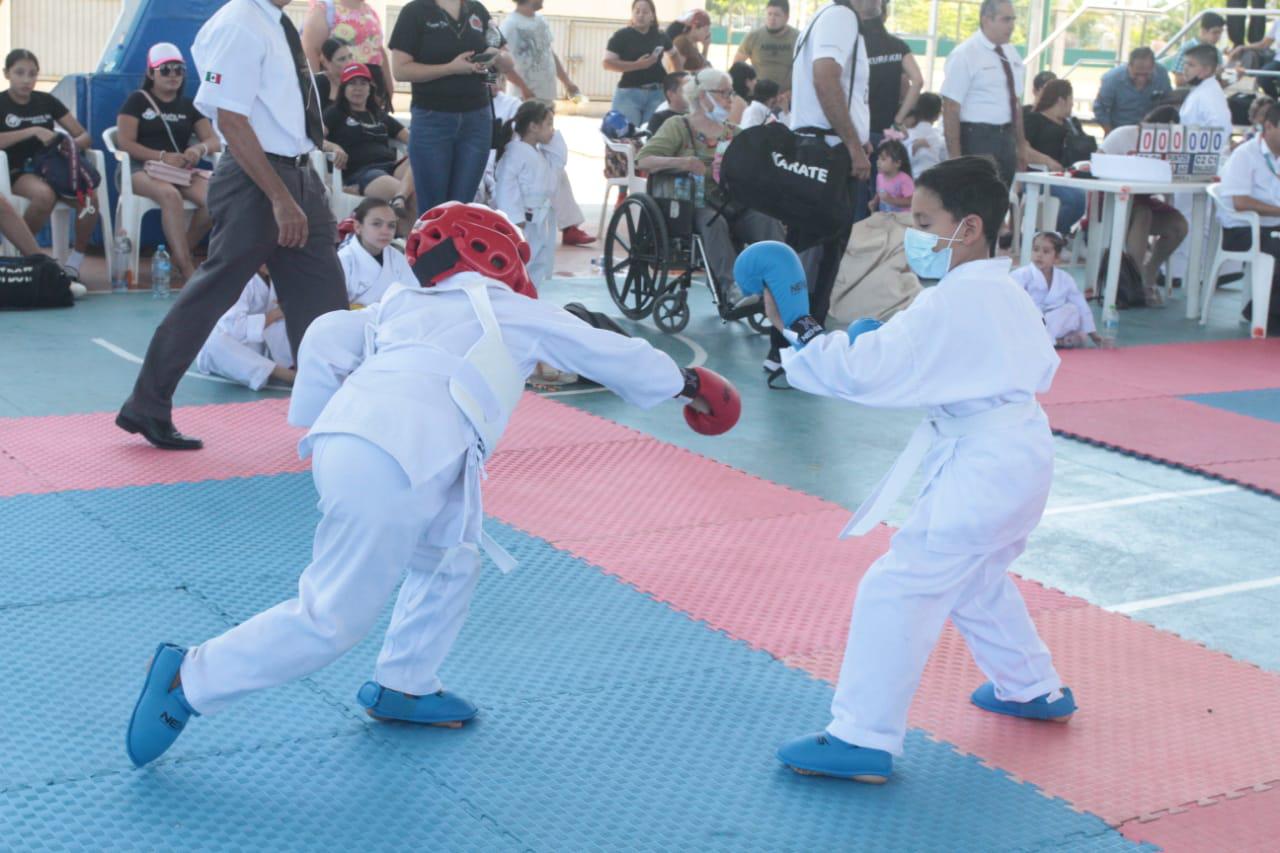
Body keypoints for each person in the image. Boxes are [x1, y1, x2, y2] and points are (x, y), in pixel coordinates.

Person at [123, 202, 743, 769]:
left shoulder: (401, 303)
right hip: (394, 458)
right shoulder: (514, 311)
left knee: (449, 558)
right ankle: (193, 679)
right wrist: (686, 384)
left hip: (375, 447)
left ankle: (404, 681)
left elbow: (328, 336)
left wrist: (318, 416)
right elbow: (610, 351)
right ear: (495, 255)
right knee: (332, 617)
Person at [735, 157, 1075, 784]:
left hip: (985, 467)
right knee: (976, 579)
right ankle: (1032, 687)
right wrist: (861, 340)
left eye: (924, 221)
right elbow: (923, 356)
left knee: (898, 588)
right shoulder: (1001, 290)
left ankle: (862, 737)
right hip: (1018, 455)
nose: (912, 233)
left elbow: (863, 374)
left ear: (967, 227)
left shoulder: (951, 303)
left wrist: (799, 323)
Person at [116, 0, 349, 451]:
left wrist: (299, 187)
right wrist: (279, 198)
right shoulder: (239, 23)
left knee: (324, 299)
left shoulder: (276, 23)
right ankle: (147, 404)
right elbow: (230, 119)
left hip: (298, 170)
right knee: (213, 292)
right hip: (257, 179)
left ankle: (336, 415)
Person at [772, 0, 871, 382]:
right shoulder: (841, 17)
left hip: (819, 146)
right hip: (829, 153)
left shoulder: (818, 20)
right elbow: (825, 78)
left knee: (807, 256)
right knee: (817, 261)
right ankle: (797, 353)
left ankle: (785, 350)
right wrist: (852, 144)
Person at [637, 68, 783, 312]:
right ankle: (733, 287)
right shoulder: (678, 126)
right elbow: (643, 160)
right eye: (724, 93)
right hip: (692, 205)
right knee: (713, 222)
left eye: (731, 93)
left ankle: (780, 282)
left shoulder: (734, 133)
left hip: (733, 203)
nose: (730, 99)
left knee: (766, 219)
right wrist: (681, 162)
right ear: (703, 96)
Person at [390, 0, 513, 216]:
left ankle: (455, 249)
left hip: (477, 118)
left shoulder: (477, 10)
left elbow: (508, 61)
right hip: (432, 118)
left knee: (462, 206)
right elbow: (400, 70)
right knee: (433, 209)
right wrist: (450, 69)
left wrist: (497, 57)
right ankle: (433, 250)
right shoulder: (415, 11)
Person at [115, 43, 222, 283]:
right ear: (151, 73)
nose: (173, 75)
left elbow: (214, 139)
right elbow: (125, 143)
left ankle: (174, 258)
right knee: (169, 196)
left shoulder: (189, 106)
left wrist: (197, 149)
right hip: (141, 168)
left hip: (179, 170)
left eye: (178, 69)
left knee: (214, 201)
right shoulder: (137, 101)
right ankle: (186, 267)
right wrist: (162, 156)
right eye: (165, 70)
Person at [0, 49, 101, 280]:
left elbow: (84, 136)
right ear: (7, 74)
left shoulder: (46, 101)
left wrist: (68, 145)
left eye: (33, 74)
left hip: (55, 168)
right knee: (44, 195)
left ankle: (74, 262)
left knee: (90, 200)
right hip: (18, 171)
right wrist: (34, 131)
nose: (27, 80)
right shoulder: (1, 103)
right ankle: (25, 255)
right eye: (20, 73)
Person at [1098, 104, 1188, 303]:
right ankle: (1135, 281)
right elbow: (1097, 165)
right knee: (1143, 214)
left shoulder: (1171, 146)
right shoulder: (1122, 135)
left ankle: (1150, 270)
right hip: (1111, 202)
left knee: (1178, 226)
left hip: (1143, 201)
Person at [940, 0, 1028, 188]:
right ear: (987, 20)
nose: (1012, 26)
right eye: (1006, 20)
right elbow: (950, 107)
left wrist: (1021, 144)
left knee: (1001, 199)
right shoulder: (965, 54)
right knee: (979, 198)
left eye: (1013, 19)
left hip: (1006, 137)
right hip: (977, 136)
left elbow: (1016, 103)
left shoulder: (1011, 53)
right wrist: (955, 158)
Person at [1213, 99, 1280, 334]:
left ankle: (1264, 309)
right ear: (1270, 126)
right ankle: (1263, 313)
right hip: (1244, 230)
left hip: (1273, 228)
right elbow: (1240, 203)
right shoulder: (1245, 154)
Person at [323, 63, 414, 223]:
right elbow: (315, 138)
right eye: (352, 83)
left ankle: (400, 198)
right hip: (365, 173)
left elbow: (412, 140)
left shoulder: (378, 115)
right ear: (343, 88)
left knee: (420, 157)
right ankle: (408, 234)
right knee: (411, 196)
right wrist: (333, 147)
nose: (358, 88)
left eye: (363, 83)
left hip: (391, 167)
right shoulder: (335, 113)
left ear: (370, 88)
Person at [495, 100, 565, 291]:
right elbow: (506, 187)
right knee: (520, 261)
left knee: (537, 262)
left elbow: (559, 159)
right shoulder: (515, 153)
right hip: (522, 220)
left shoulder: (540, 153)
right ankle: (516, 298)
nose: (552, 130)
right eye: (549, 124)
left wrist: (553, 135)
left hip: (539, 219)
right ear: (533, 126)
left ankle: (530, 298)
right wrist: (514, 218)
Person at [194, 269, 296, 389]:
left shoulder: (280, 275)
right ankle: (285, 374)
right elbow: (234, 329)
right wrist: (275, 314)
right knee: (210, 340)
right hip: (228, 349)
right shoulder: (237, 277)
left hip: (261, 347)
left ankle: (293, 365)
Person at [1012, 232, 1100, 348]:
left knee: (1073, 310)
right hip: (1031, 320)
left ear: (1057, 258)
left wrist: (1094, 336)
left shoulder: (1065, 279)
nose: (1039, 255)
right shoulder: (1021, 275)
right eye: (1036, 249)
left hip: (1052, 322)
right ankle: (1055, 341)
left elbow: (1081, 304)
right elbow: (1012, 302)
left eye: (1046, 251)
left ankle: (1046, 341)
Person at [1023, 79, 1087, 233]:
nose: (1072, 104)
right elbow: (1023, 149)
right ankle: (1053, 237)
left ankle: (1079, 240)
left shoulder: (1072, 124)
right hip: (1038, 177)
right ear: (1061, 100)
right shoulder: (1034, 120)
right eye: (1071, 100)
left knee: (1098, 201)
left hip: (1069, 175)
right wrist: (1047, 161)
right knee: (1076, 199)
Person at [302, 0, 394, 102]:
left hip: (372, 92)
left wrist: (389, 88)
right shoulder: (324, 11)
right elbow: (310, 52)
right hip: (341, 92)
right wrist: (317, 94)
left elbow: (378, 49)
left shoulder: (370, 11)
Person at [857, 0, 922, 142]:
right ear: (885, 16)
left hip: (858, 127)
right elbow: (918, 81)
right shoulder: (899, 45)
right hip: (887, 131)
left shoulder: (856, 44)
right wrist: (899, 119)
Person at [604, 0, 673, 127]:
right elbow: (607, 63)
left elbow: (674, 54)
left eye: (645, 12)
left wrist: (675, 78)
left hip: (657, 93)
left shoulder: (660, 35)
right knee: (625, 136)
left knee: (650, 137)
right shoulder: (621, 36)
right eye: (637, 11)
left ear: (652, 15)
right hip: (629, 94)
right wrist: (639, 65)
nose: (640, 15)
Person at [500, 0, 583, 104]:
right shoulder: (510, 25)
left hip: (547, 97)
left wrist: (567, 83)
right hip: (524, 99)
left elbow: (549, 54)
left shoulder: (541, 20)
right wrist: (523, 88)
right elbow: (502, 64)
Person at [338, 196, 415, 307]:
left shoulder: (397, 258)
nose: (385, 231)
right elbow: (334, 307)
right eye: (376, 224)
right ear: (358, 226)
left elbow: (412, 294)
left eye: (391, 225)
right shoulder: (344, 260)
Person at [1092, 47, 1173, 134]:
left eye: (1145, 74)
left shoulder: (1162, 75)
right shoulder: (1112, 79)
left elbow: (1169, 102)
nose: (1141, 79)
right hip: (1120, 130)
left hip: (1151, 132)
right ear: (1129, 66)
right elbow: (1100, 108)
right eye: (1136, 74)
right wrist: (1109, 132)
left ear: (1153, 67)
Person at [733, 0, 798, 95]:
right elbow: (737, 65)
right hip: (758, 95)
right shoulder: (754, 36)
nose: (772, 18)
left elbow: (807, 69)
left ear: (786, 17)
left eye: (777, 15)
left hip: (788, 96)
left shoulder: (797, 38)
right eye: (769, 14)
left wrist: (791, 93)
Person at [1163, 13, 1225, 87]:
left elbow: (1218, 81)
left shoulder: (1217, 52)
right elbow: (1179, 81)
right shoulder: (1187, 49)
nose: (1218, 37)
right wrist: (1209, 74)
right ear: (1203, 31)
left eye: (1220, 33)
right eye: (1215, 32)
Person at [903, 91, 945, 174]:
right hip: (932, 180)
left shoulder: (907, 134)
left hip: (909, 180)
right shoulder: (938, 138)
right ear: (937, 116)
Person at [870, 139, 912, 213]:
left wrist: (891, 200)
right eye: (878, 158)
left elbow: (911, 201)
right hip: (885, 216)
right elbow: (880, 192)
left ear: (897, 163)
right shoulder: (879, 176)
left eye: (883, 159)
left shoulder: (904, 179)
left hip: (901, 219)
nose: (878, 162)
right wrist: (874, 201)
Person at [312, 37, 356, 105]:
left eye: (350, 56)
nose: (349, 63)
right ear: (326, 62)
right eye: (342, 59)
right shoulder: (318, 82)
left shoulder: (358, 80)